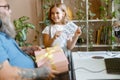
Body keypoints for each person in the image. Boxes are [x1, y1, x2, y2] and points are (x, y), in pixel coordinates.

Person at [0, 0, 57, 80]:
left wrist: (26, 50)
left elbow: (7, 53)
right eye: (6, 7)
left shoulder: (2, 33)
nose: (10, 11)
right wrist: (42, 72)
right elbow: (5, 75)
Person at [42, 3, 82, 80]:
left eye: (57, 13)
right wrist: (53, 38)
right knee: (53, 77)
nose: (54, 15)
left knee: (64, 77)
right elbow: (46, 45)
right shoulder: (48, 28)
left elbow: (70, 47)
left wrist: (76, 36)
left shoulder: (67, 28)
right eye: (52, 13)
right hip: (52, 59)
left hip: (65, 57)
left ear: (63, 14)